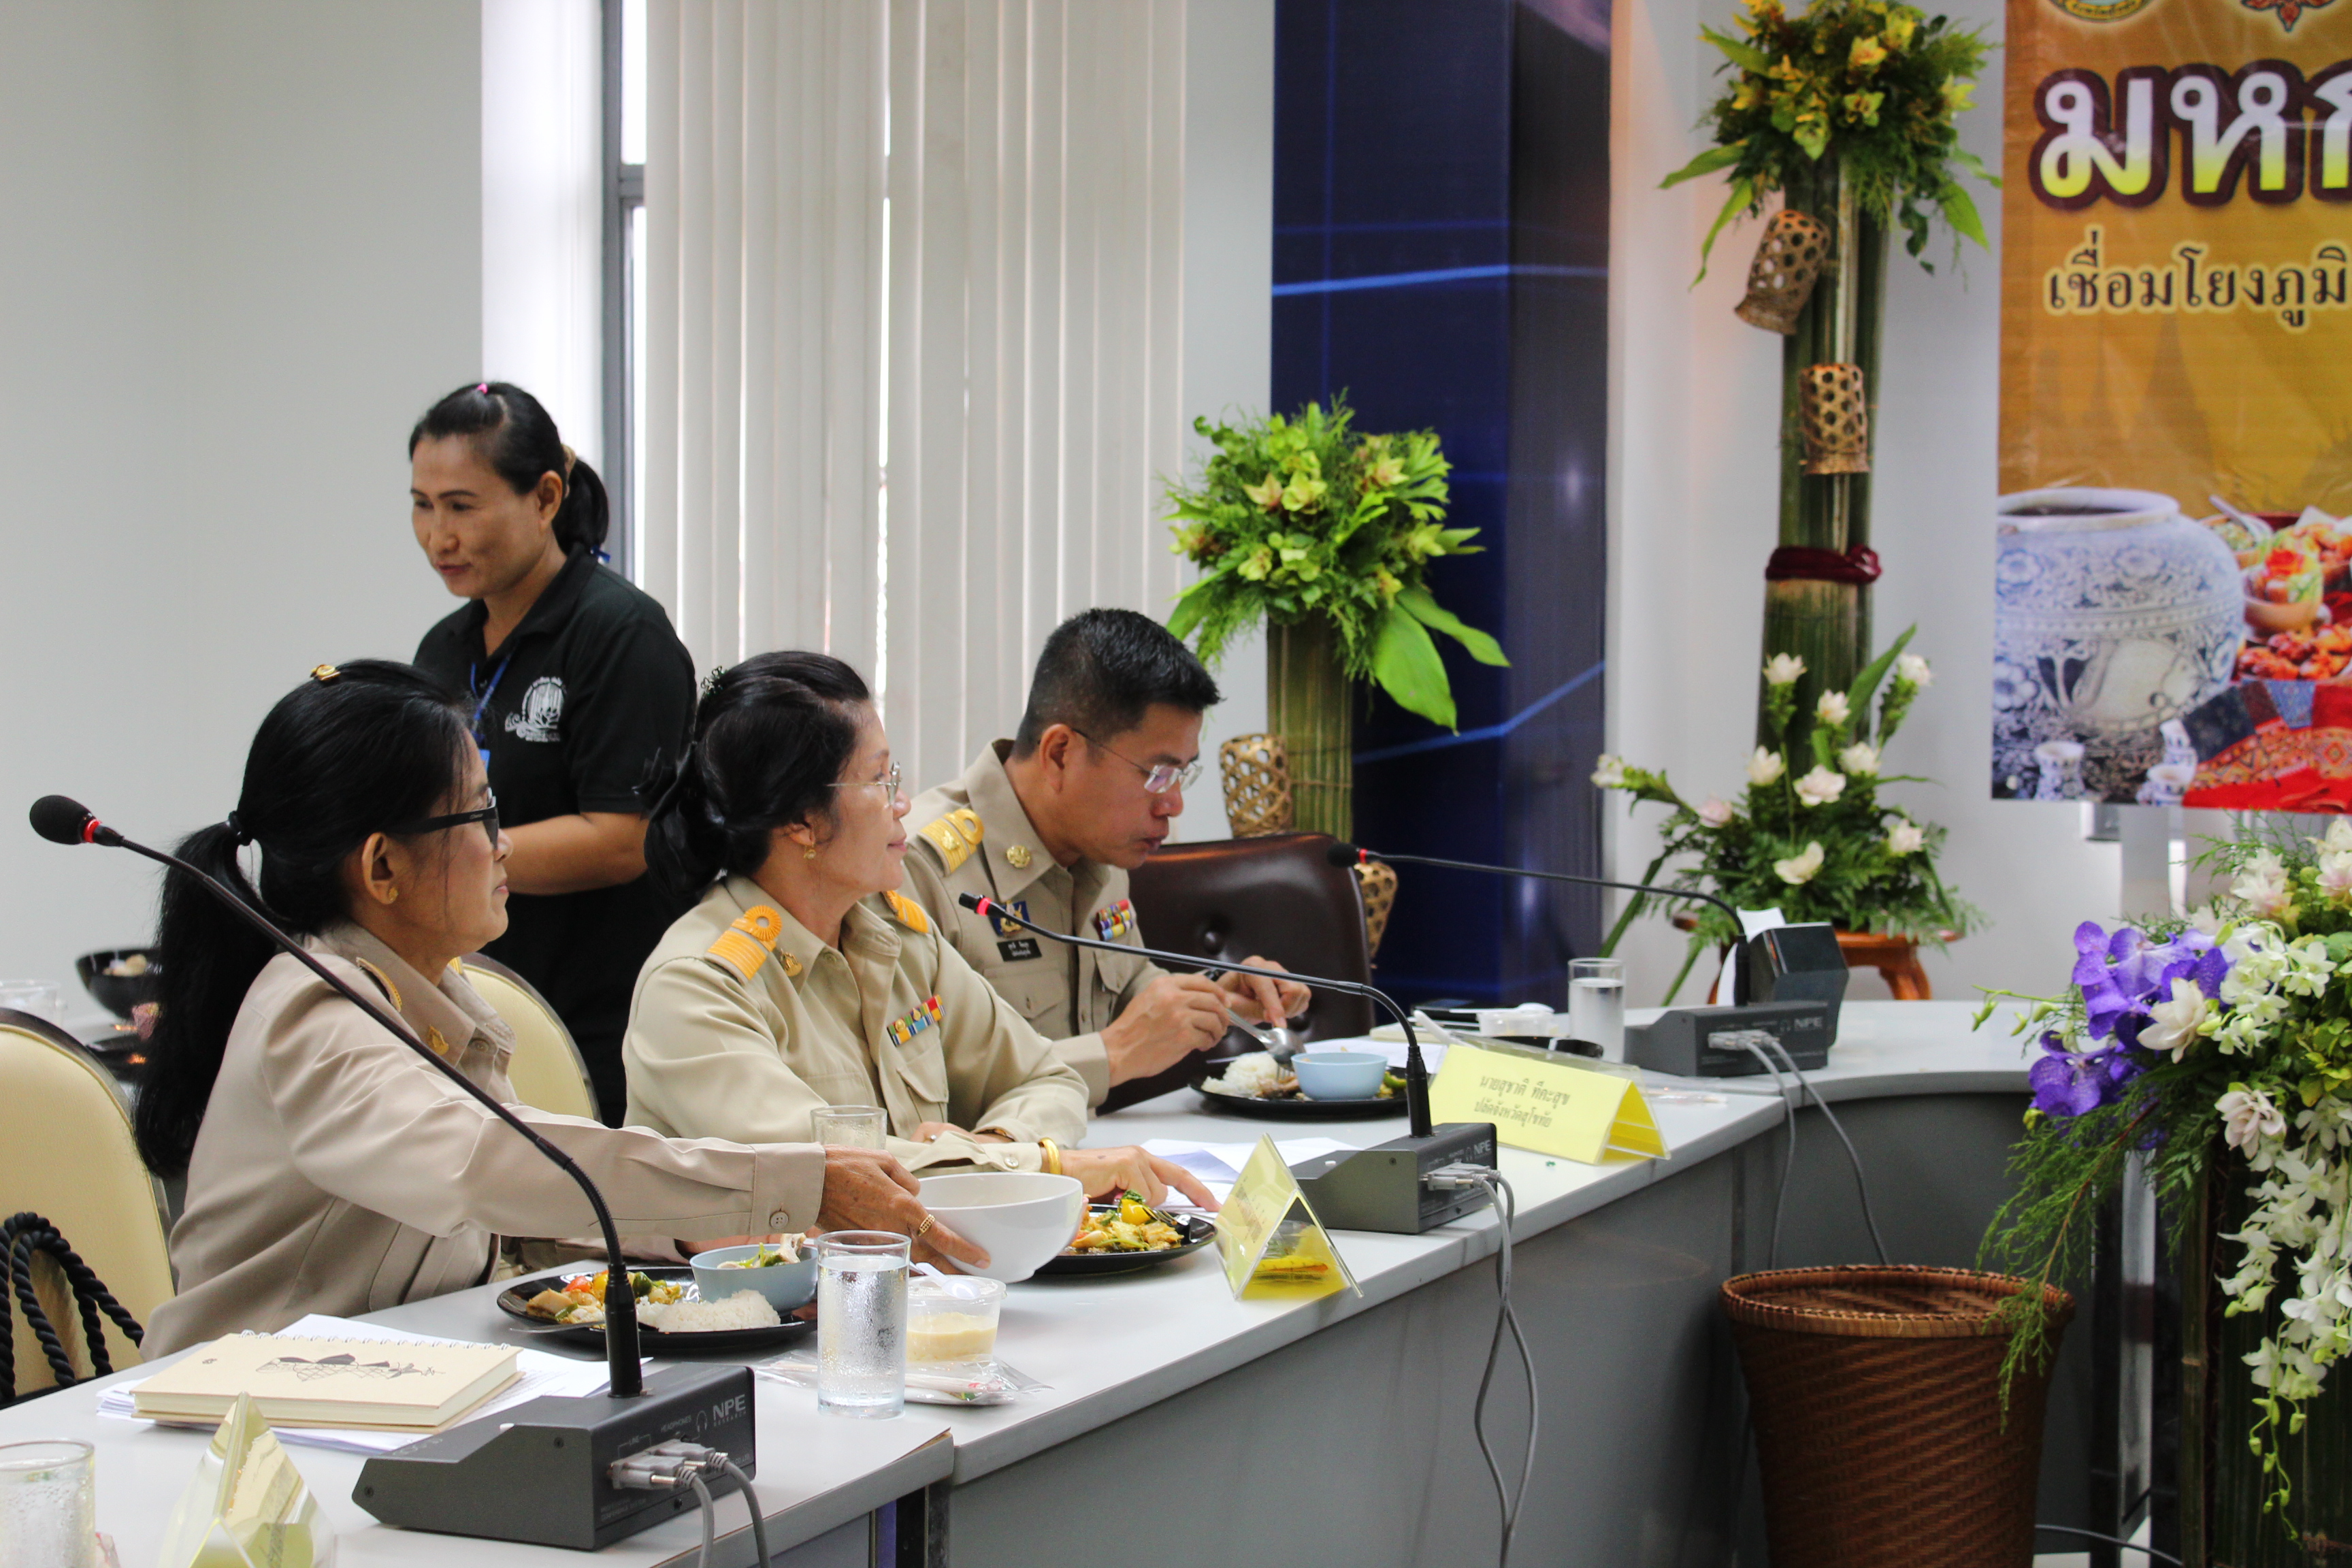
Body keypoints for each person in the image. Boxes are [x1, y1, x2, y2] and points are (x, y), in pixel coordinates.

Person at [140, 662, 983, 1357]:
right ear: (382, 868)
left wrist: (705, 1247)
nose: (506, 845)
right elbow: (495, 1167)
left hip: (378, 1383)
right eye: (484, 814)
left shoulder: (431, 991)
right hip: (233, 1426)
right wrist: (793, 1185)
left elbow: (513, 1226)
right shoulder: (316, 1015)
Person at [621, 652, 1215, 1208]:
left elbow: (1048, 1077)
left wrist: (1002, 1139)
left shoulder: (898, 938)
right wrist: (1041, 1166)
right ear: (801, 821)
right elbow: (842, 1180)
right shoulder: (698, 987)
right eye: (879, 781)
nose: (903, 802)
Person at [409, 380, 692, 1125]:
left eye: (462, 506)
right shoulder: (443, 649)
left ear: (544, 498)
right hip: (472, 1004)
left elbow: (623, 839)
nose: (441, 536)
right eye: (423, 505)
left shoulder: (621, 634)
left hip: (599, 1021)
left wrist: (440, 858)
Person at [900, 609, 1311, 1111]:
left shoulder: (1099, 846)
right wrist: (1112, 1055)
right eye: (1157, 774)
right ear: (1060, 755)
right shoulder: (916, 866)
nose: (1173, 804)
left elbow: (1122, 989)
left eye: (1181, 775)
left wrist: (1214, 998)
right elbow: (914, 1093)